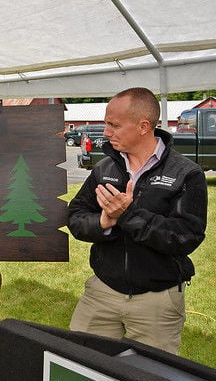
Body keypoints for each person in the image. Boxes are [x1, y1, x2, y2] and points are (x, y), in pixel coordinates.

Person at [67, 87, 207, 354]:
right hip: (102, 293)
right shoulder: (104, 168)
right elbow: (75, 217)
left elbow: (185, 237)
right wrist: (104, 221)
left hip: (157, 301)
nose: (106, 132)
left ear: (143, 126)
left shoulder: (186, 174)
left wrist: (128, 215)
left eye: (114, 125)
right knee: (79, 364)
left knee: (151, 374)